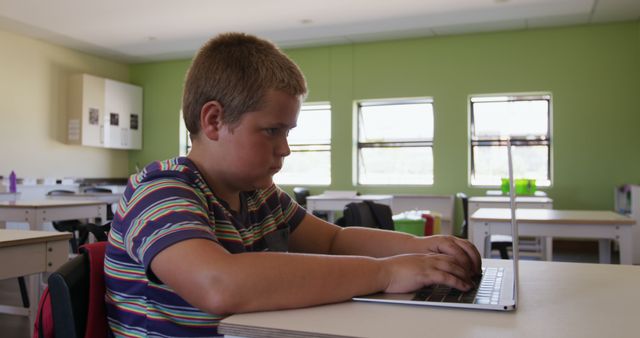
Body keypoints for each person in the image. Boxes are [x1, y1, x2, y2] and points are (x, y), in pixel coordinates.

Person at [104, 32, 481, 337]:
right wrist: (386, 272)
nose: (285, 148)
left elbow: (334, 241)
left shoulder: (260, 195)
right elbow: (219, 284)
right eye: (272, 130)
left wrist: (421, 249)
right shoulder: (160, 191)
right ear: (214, 121)